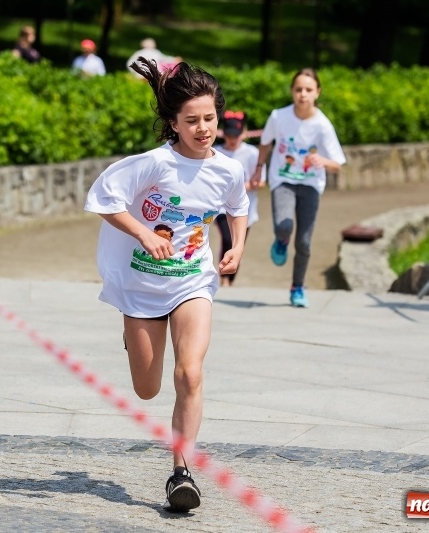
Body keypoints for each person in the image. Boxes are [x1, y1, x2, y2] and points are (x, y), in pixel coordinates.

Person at [84, 57, 249, 513]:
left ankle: (181, 473)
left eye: (210, 118)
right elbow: (102, 199)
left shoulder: (229, 169)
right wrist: (140, 233)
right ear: (172, 123)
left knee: (190, 373)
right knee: (147, 388)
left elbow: (238, 206)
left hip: (193, 281)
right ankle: (132, 334)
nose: (203, 128)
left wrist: (237, 244)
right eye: (191, 121)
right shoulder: (153, 165)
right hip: (141, 286)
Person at [250, 68, 346, 307]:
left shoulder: (322, 125)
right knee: (285, 226)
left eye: (308, 90)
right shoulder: (278, 117)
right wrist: (259, 168)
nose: (303, 94)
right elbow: (265, 143)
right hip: (283, 181)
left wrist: (322, 161)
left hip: (311, 185)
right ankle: (281, 240)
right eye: (298, 89)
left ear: (317, 93)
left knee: (304, 241)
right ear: (292, 91)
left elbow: (338, 164)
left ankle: (298, 287)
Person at [213, 110, 265, 286]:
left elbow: (261, 182)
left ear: (244, 133)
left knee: (237, 245)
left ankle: (230, 279)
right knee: (227, 239)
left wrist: (239, 188)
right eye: (229, 135)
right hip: (220, 207)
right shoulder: (215, 152)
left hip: (245, 208)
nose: (232, 139)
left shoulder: (251, 153)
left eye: (236, 135)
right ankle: (224, 279)